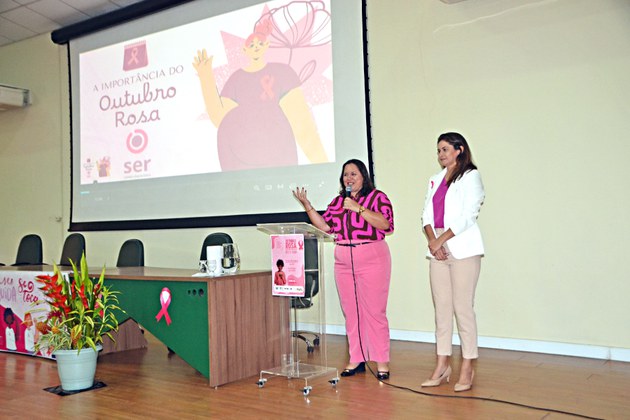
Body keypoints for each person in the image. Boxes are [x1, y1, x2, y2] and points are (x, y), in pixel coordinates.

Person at [293, 159, 394, 380]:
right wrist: (307, 206)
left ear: (363, 177)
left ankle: (381, 361)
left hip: (372, 258)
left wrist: (358, 208)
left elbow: (385, 224)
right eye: (345, 175)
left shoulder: (378, 197)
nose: (348, 178)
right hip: (343, 260)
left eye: (353, 174)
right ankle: (356, 358)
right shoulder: (338, 202)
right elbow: (326, 226)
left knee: (374, 312)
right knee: (351, 312)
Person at [193, 18, 328, 171]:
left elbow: (303, 124)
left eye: (259, 44)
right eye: (251, 45)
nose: (256, 47)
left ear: (266, 45)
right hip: (242, 160)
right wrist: (206, 78)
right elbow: (221, 118)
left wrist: (323, 165)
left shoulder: (282, 72)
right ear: (245, 50)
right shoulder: (236, 79)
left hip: (279, 156)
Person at [420, 132, 485, 392]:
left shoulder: (471, 176)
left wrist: (441, 239)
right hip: (437, 249)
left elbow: (469, 215)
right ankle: (442, 364)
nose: (441, 154)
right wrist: (432, 241)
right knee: (442, 310)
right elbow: (425, 214)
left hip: (463, 248)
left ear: (459, 149)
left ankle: (468, 365)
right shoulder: (435, 180)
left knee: (463, 308)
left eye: (445, 149)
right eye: (438, 150)